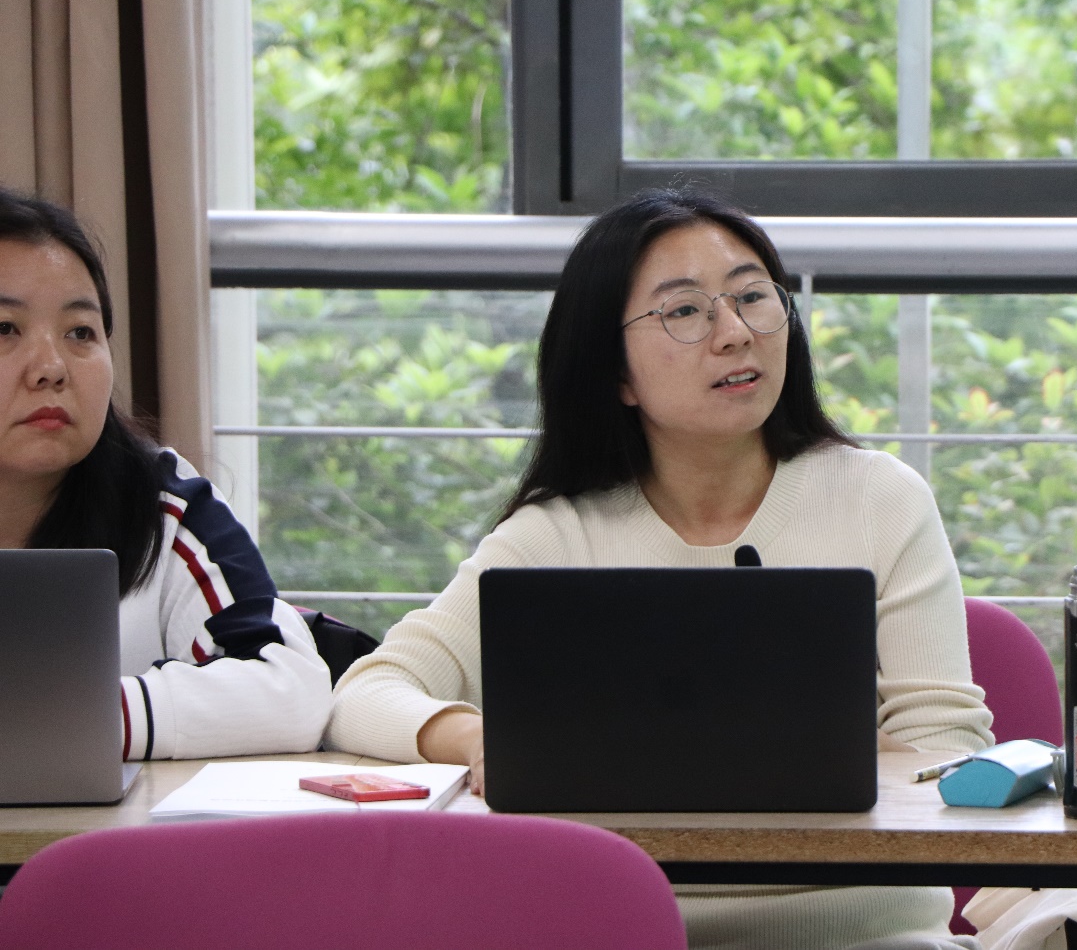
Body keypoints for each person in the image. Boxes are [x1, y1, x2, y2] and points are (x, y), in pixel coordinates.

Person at [328, 188, 994, 950]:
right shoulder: (559, 534)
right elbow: (366, 694)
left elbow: (949, 752)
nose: (734, 333)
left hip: (867, 934)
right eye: (684, 311)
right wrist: (481, 740)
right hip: (624, 930)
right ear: (615, 372)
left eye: (752, 297)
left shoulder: (879, 498)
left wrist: (801, 753)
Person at [0, 187, 331, 760]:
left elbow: (290, 688)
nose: (51, 368)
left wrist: (72, 720)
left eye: (80, 332)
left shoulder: (160, 504)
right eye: (5, 328)